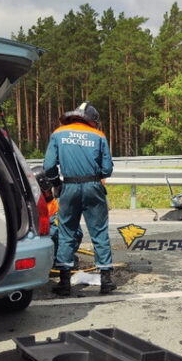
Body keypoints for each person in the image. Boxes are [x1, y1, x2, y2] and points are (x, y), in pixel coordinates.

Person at [42, 101, 114, 295]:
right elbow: (107, 169)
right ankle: (106, 279)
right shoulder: (99, 135)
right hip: (93, 186)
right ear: (92, 120)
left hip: (69, 187)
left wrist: (57, 183)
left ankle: (64, 282)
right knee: (99, 232)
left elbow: (48, 166)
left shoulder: (58, 133)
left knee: (66, 232)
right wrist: (95, 175)